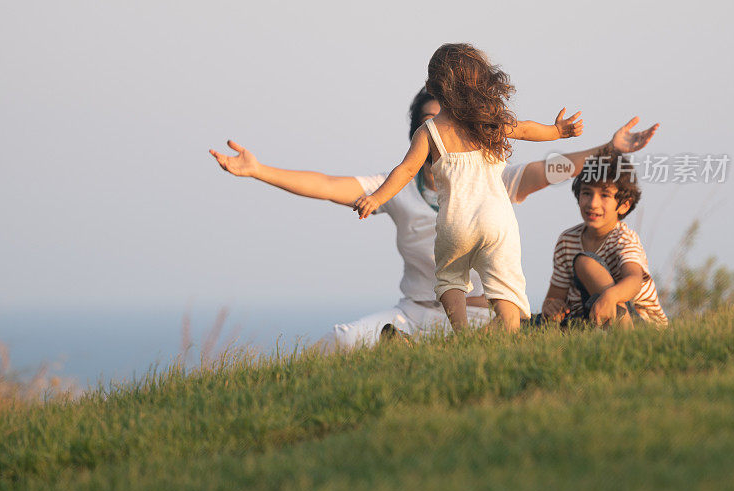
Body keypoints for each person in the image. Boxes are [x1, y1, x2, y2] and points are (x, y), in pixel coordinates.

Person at [209, 93, 658, 349]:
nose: (443, 133)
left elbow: (552, 169)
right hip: (414, 314)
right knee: (341, 343)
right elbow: (328, 184)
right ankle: (399, 351)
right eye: (432, 124)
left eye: (453, 124)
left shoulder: (496, 179)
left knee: (491, 347)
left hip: (484, 321)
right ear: (417, 137)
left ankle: (415, 358)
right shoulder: (394, 186)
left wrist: (610, 149)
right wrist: (258, 170)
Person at [353, 43, 583, 332]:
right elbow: (525, 129)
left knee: (450, 278)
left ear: (432, 87)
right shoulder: (490, 122)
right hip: (497, 221)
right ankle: (508, 326)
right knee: (507, 298)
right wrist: (558, 131)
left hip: (455, 223)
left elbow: (406, 169)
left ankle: (461, 333)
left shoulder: (430, 131)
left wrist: (376, 198)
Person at [541, 144, 668, 328]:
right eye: (587, 193)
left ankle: (625, 336)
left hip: (640, 322)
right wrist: (552, 306)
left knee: (584, 263)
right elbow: (555, 295)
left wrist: (611, 296)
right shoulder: (567, 241)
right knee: (526, 323)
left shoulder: (624, 239)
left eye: (605, 195)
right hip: (590, 318)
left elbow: (634, 280)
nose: (593, 203)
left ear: (624, 205)